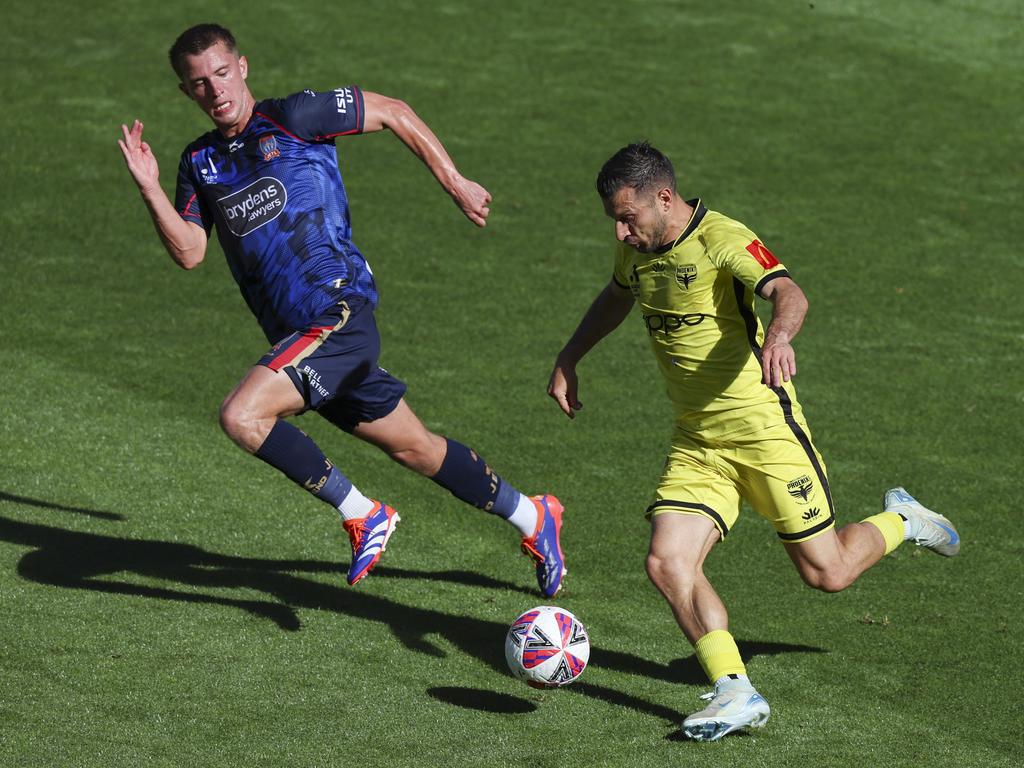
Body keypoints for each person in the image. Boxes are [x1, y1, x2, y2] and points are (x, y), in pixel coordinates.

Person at [117, 23, 565, 597]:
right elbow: (189, 252)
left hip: (337, 317)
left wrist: (453, 180)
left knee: (243, 416)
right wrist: (151, 188)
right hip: (302, 339)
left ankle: (363, 513)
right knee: (415, 447)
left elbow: (393, 110)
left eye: (222, 73)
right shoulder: (199, 163)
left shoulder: (295, 117)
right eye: (199, 84)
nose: (215, 90)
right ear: (187, 92)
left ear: (243, 67)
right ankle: (534, 517)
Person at [547, 142, 959, 740]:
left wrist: (781, 337)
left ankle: (906, 520)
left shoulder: (723, 238)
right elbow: (617, 295)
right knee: (667, 561)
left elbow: (789, 292)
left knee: (829, 574)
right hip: (698, 441)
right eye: (615, 218)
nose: (621, 230)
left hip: (764, 432)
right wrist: (570, 355)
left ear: (664, 198)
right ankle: (734, 692)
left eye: (627, 216)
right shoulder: (636, 248)